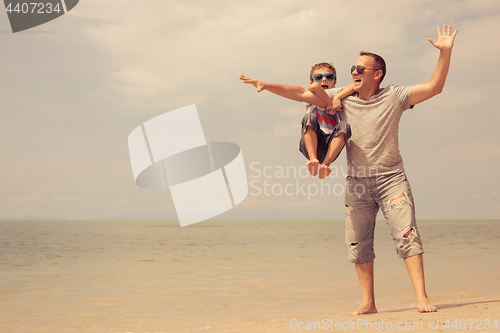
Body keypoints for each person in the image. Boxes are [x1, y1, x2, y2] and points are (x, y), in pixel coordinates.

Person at [240, 24, 457, 315]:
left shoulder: (395, 96)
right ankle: (368, 302)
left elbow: (434, 87)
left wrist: (445, 53)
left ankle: (421, 297)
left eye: (360, 68)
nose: (353, 72)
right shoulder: (340, 103)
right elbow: (300, 94)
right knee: (358, 245)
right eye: (352, 68)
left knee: (407, 235)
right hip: (357, 182)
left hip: (392, 179)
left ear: (376, 74)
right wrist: (265, 85)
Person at [240, 62, 353, 179]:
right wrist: (330, 103)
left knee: (344, 125)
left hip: (329, 146)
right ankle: (313, 160)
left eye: (329, 77)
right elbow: (311, 89)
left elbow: (354, 86)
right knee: (310, 118)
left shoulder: (338, 96)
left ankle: (325, 165)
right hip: (310, 144)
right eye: (318, 77)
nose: (324, 80)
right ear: (312, 81)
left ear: (335, 82)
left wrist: (337, 98)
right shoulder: (313, 95)